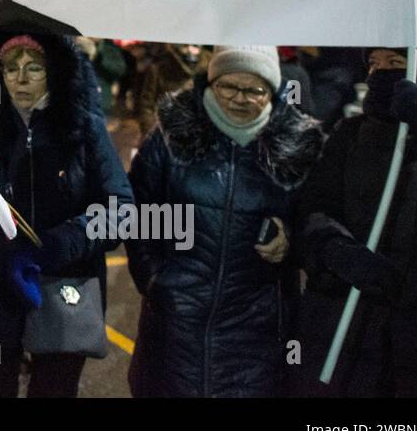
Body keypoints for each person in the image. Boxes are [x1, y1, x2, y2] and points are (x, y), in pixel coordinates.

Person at [294, 12, 417, 397]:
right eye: (375, 62)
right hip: (355, 326)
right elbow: (315, 207)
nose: (381, 72)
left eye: (396, 62)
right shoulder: (352, 133)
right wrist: (335, 250)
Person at [126, 46, 323, 397]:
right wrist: (155, 280)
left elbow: (320, 222)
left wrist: (292, 242)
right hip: (175, 322)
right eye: (228, 86)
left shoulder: (296, 146)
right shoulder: (172, 135)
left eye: (254, 90)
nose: (240, 99)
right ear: (210, 81)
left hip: (257, 330)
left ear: (273, 90)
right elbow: (139, 211)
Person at [0, 28, 133, 397]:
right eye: (10, 67)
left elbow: (121, 208)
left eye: (34, 67)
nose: (20, 78)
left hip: (67, 286)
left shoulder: (83, 125)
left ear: (54, 69)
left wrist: (61, 243)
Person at [134, 43, 210, 138]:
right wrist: (151, 134)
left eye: (195, 45)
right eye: (186, 45)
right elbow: (146, 107)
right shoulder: (158, 70)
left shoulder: (210, 69)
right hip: (165, 134)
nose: (191, 49)